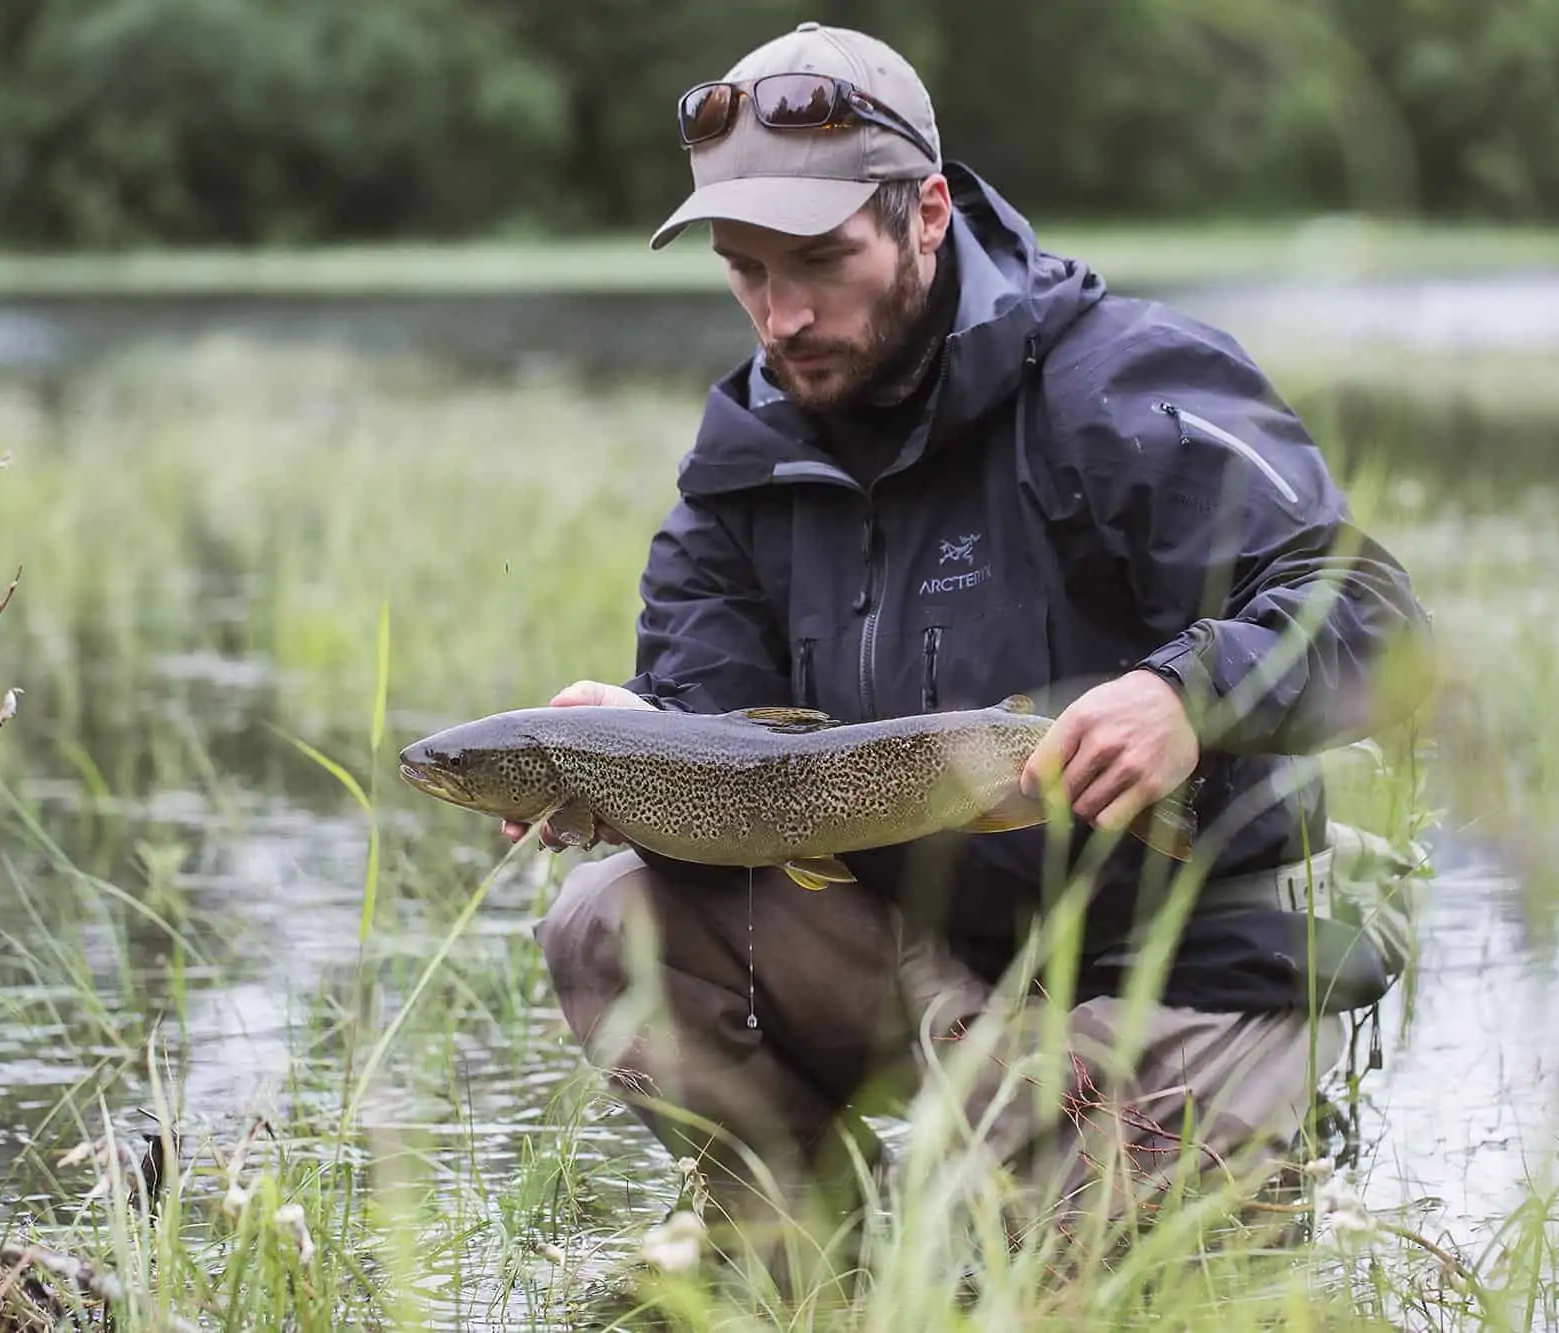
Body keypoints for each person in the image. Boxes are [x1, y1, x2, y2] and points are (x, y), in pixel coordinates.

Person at [515, 20, 1433, 1278]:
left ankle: (1120, 1162)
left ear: (927, 215)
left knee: (1056, 1290)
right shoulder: (743, 462)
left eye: (819, 260)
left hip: (1173, 962)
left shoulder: (1116, 385)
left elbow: (1371, 612)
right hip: (923, 960)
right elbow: (716, 723)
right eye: (743, 270)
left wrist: (1185, 692)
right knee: (604, 920)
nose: (781, 315)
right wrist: (639, 742)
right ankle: (802, 1254)